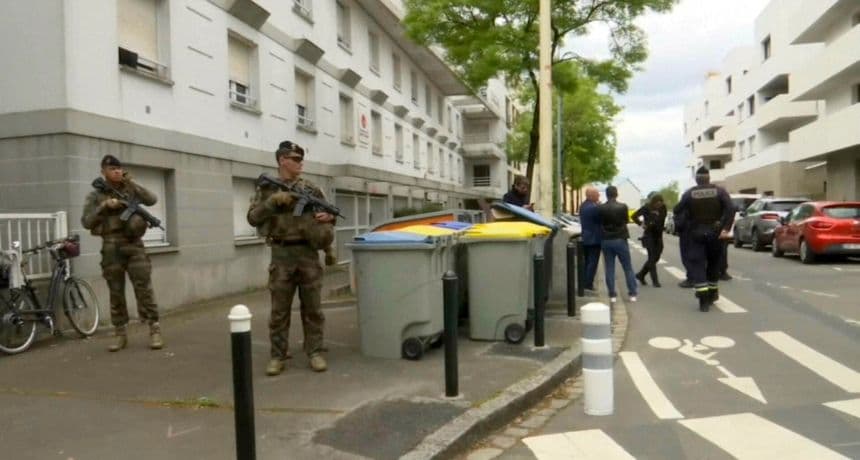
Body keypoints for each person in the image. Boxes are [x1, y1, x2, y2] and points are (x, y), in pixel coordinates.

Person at [247, 141, 336, 376]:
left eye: (301, 159)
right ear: (282, 160)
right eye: (296, 159)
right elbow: (253, 218)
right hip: (282, 253)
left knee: (313, 308)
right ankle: (278, 355)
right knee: (279, 310)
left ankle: (315, 352)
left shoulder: (311, 189)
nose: (300, 163)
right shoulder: (266, 189)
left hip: (308, 253)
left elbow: (328, 215)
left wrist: (328, 217)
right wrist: (271, 203)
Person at [81, 155, 163, 352]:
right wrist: (104, 206)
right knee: (116, 291)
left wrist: (131, 182)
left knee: (144, 287)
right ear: (103, 172)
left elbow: (152, 199)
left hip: (134, 245)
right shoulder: (96, 195)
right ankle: (120, 333)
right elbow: (86, 222)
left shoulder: (130, 187)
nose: (117, 172)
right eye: (112, 169)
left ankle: (154, 329)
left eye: (119, 169)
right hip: (111, 246)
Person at [673, 166, 734, 312]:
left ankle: (703, 300)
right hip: (716, 233)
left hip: (696, 234)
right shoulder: (720, 192)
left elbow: (677, 210)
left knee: (698, 265)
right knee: (713, 264)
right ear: (709, 178)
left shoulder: (689, 194)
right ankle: (713, 293)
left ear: (696, 179)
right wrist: (725, 228)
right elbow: (730, 209)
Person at [597, 186, 638, 303]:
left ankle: (612, 295)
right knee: (627, 267)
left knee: (609, 268)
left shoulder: (601, 208)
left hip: (606, 239)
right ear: (616, 194)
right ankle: (632, 293)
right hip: (620, 238)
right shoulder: (623, 207)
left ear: (607, 194)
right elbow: (625, 220)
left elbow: (599, 222)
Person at [632, 193, 667, 287]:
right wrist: (641, 224)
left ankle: (641, 275)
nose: (659, 205)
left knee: (657, 257)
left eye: (660, 203)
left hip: (658, 236)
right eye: (657, 204)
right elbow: (634, 216)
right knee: (651, 258)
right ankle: (655, 281)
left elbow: (662, 219)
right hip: (649, 235)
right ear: (653, 202)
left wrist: (658, 218)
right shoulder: (647, 207)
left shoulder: (663, 208)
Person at [579, 186, 602, 293]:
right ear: (591, 196)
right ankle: (588, 284)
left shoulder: (583, 205)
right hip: (594, 238)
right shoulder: (594, 207)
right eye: (597, 194)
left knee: (587, 261)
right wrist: (599, 207)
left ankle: (584, 282)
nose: (599, 195)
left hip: (586, 236)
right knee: (592, 262)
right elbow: (600, 220)